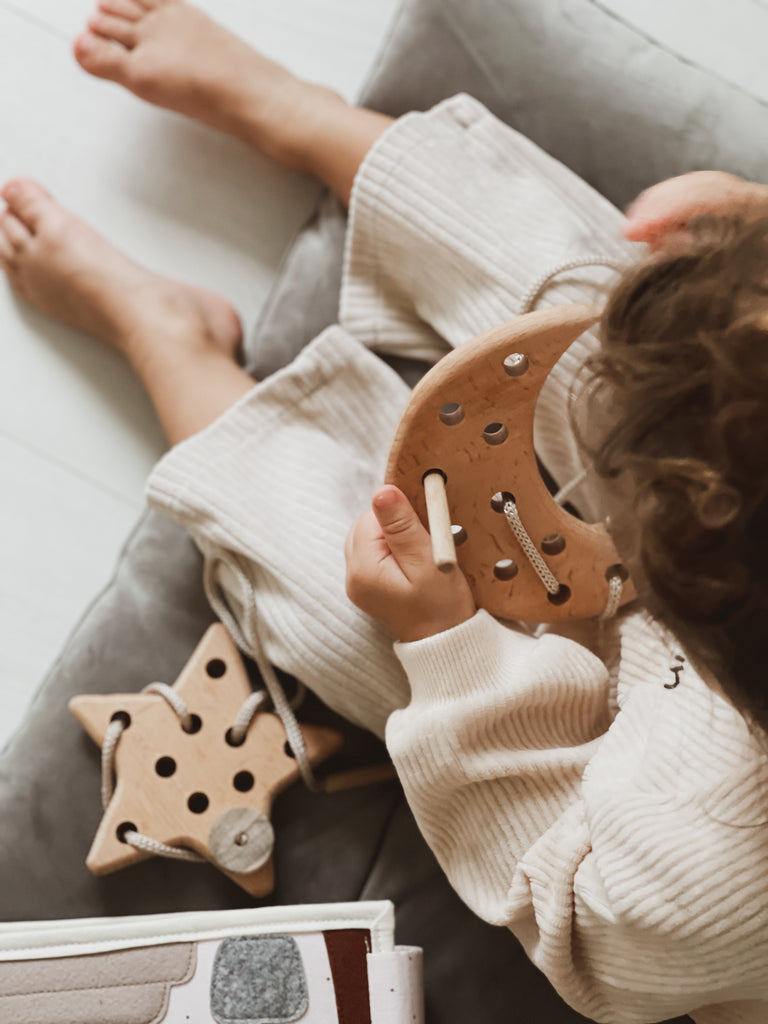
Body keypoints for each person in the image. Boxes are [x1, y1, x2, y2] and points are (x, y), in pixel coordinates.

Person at [1, 2, 767, 1021]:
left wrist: (449, 647)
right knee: (606, 287)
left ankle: (181, 351)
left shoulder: (704, 870)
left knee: (352, 601)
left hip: (644, 760)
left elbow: (577, 907)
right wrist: (745, 242)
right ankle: (307, 120)